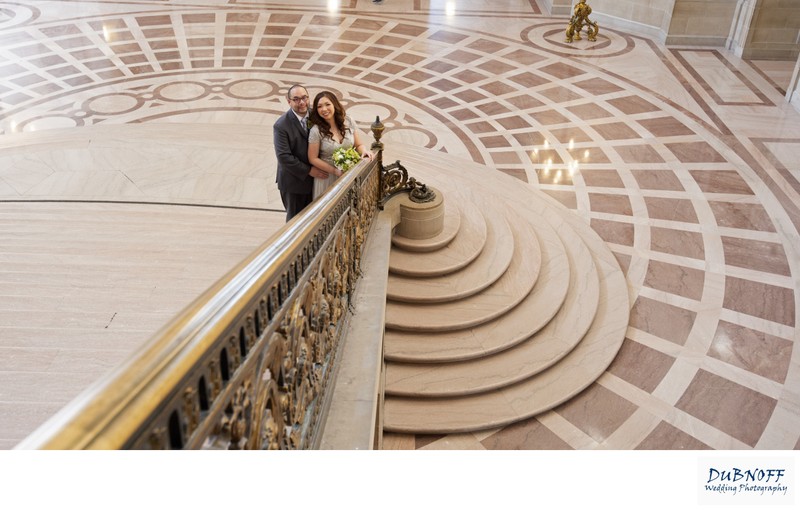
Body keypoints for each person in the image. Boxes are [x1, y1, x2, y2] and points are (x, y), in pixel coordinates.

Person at [273, 84, 327, 222]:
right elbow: (284, 157)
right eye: (296, 99)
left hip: (318, 180)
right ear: (288, 101)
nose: (302, 102)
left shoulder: (316, 116)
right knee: (295, 222)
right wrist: (309, 170)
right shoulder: (281, 125)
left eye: (304, 98)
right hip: (294, 183)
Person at [307, 91, 373, 200]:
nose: (324, 109)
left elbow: (358, 144)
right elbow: (312, 158)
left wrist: (364, 151)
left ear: (334, 104)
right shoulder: (316, 130)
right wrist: (334, 171)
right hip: (327, 177)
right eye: (319, 106)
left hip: (348, 175)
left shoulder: (348, 120)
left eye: (327, 104)